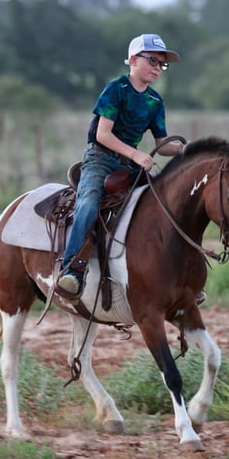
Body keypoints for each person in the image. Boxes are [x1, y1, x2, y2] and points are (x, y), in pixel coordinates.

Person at [56, 33, 184, 299]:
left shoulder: (155, 101)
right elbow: (103, 134)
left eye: (162, 64)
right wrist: (136, 154)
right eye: (153, 60)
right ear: (134, 59)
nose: (158, 68)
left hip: (129, 166)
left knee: (167, 203)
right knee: (89, 203)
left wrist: (189, 149)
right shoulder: (116, 89)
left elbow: (163, 143)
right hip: (100, 159)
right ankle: (72, 270)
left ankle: (176, 273)